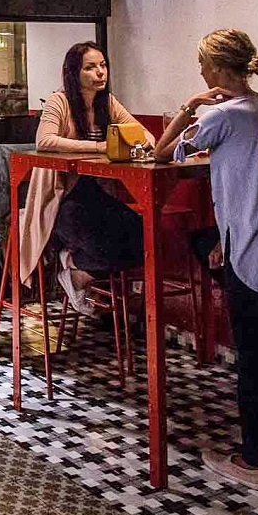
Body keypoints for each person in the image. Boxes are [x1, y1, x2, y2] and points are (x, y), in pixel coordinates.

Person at [154, 30, 258, 491]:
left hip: (253, 247)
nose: (201, 72)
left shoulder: (221, 115)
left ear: (219, 69)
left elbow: (162, 154)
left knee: (252, 360)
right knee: (206, 242)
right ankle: (235, 284)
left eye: (203, 64)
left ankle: (252, 460)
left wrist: (189, 106)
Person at [37, 42, 153, 314]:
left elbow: (146, 135)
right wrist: (100, 147)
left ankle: (75, 270)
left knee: (144, 239)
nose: (100, 72)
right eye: (90, 67)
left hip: (100, 196)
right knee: (109, 248)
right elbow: (44, 140)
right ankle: (73, 266)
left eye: (103, 65)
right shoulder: (60, 101)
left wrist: (138, 145)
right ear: (74, 72)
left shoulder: (107, 102)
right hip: (63, 200)